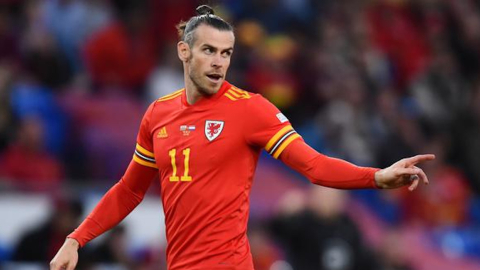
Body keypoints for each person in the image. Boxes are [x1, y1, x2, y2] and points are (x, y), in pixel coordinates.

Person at [50, 5, 435, 270]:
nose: (219, 61)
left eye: (227, 53)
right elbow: (129, 191)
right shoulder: (158, 115)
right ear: (184, 52)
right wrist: (76, 239)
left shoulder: (250, 109)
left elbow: (314, 166)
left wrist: (376, 177)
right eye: (208, 51)